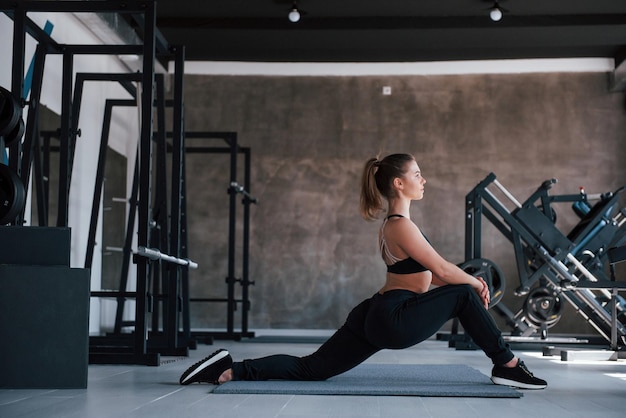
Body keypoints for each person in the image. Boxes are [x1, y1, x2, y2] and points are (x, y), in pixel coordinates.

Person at [179, 153, 547, 390]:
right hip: (395, 316)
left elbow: (432, 275)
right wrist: (475, 282)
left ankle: (230, 369)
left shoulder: (396, 225)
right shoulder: (401, 225)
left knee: (314, 369)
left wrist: (464, 283)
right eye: (417, 174)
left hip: (376, 312)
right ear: (398, 183)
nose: (424, 179)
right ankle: (507, 364)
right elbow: (442, 269)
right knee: (464, 292)